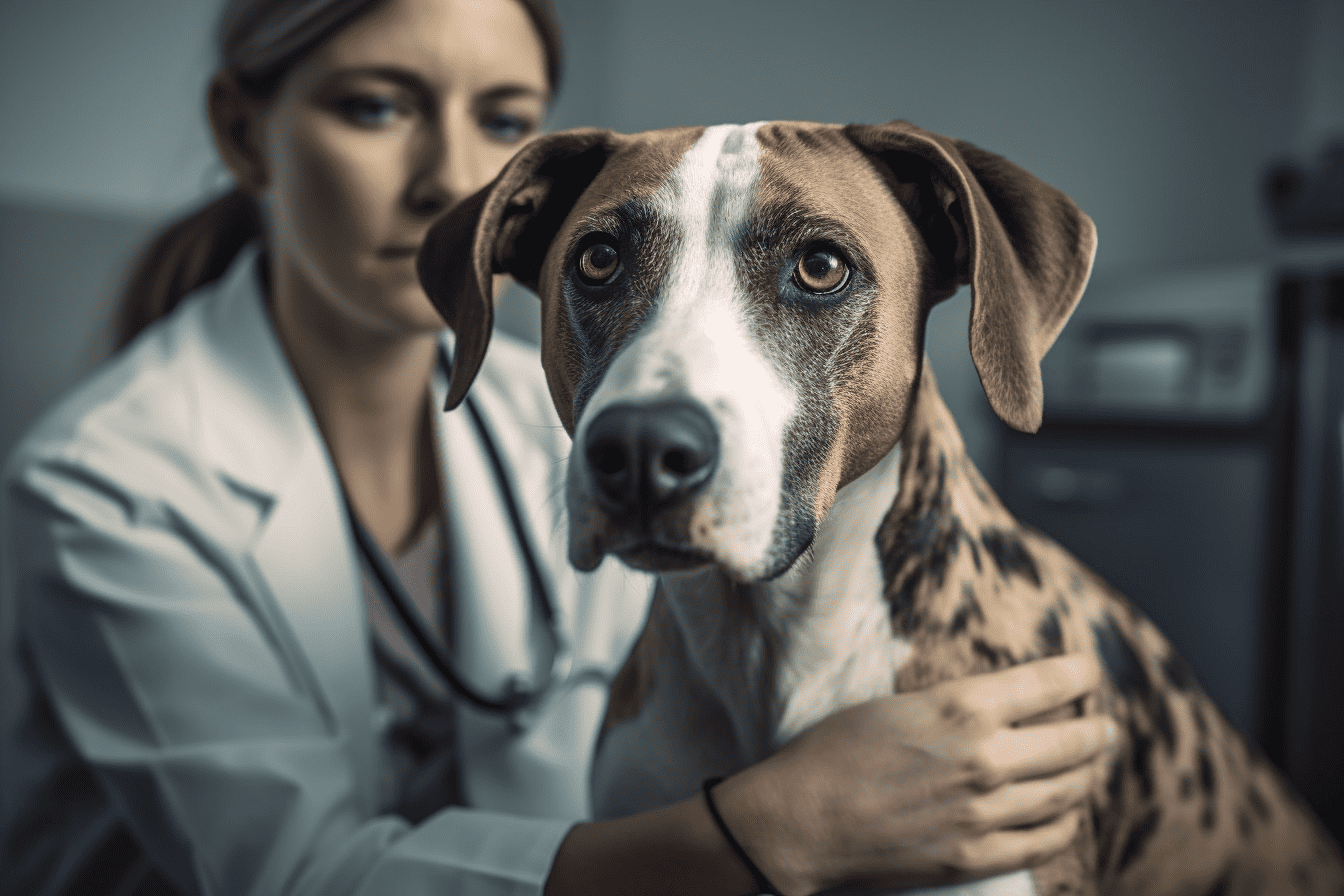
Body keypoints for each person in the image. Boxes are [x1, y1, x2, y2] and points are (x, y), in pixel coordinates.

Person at [0, 0, 1120, 894]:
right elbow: (291, 872)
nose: (449, 173)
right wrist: (772, 831)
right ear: (246, 133)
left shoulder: (568, 411)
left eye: (500, 119)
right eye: (376, 107)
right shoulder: (109, 480)